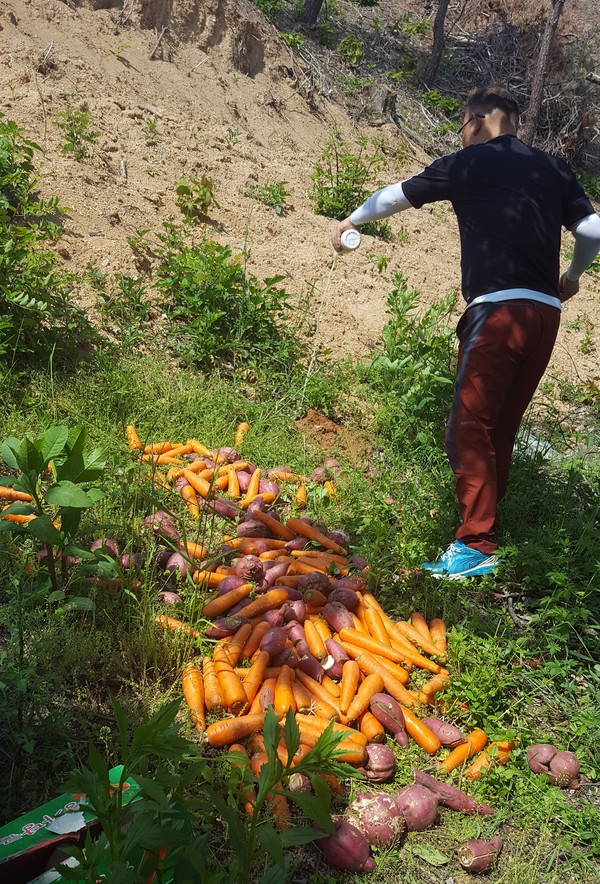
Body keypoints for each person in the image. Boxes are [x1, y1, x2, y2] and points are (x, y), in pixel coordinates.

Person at [332, 85, 600, 580]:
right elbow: (591, 231)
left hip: (497, 312)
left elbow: (396, 195)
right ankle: (489, 531)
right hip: (545, 315)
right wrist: (572, 277)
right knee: (500, 428)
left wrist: (351, 219)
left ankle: (476, 545)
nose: (462, 134)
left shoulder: (468, 163)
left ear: (475, 121)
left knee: (468, 427)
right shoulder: (554, 168)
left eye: (462, 126)